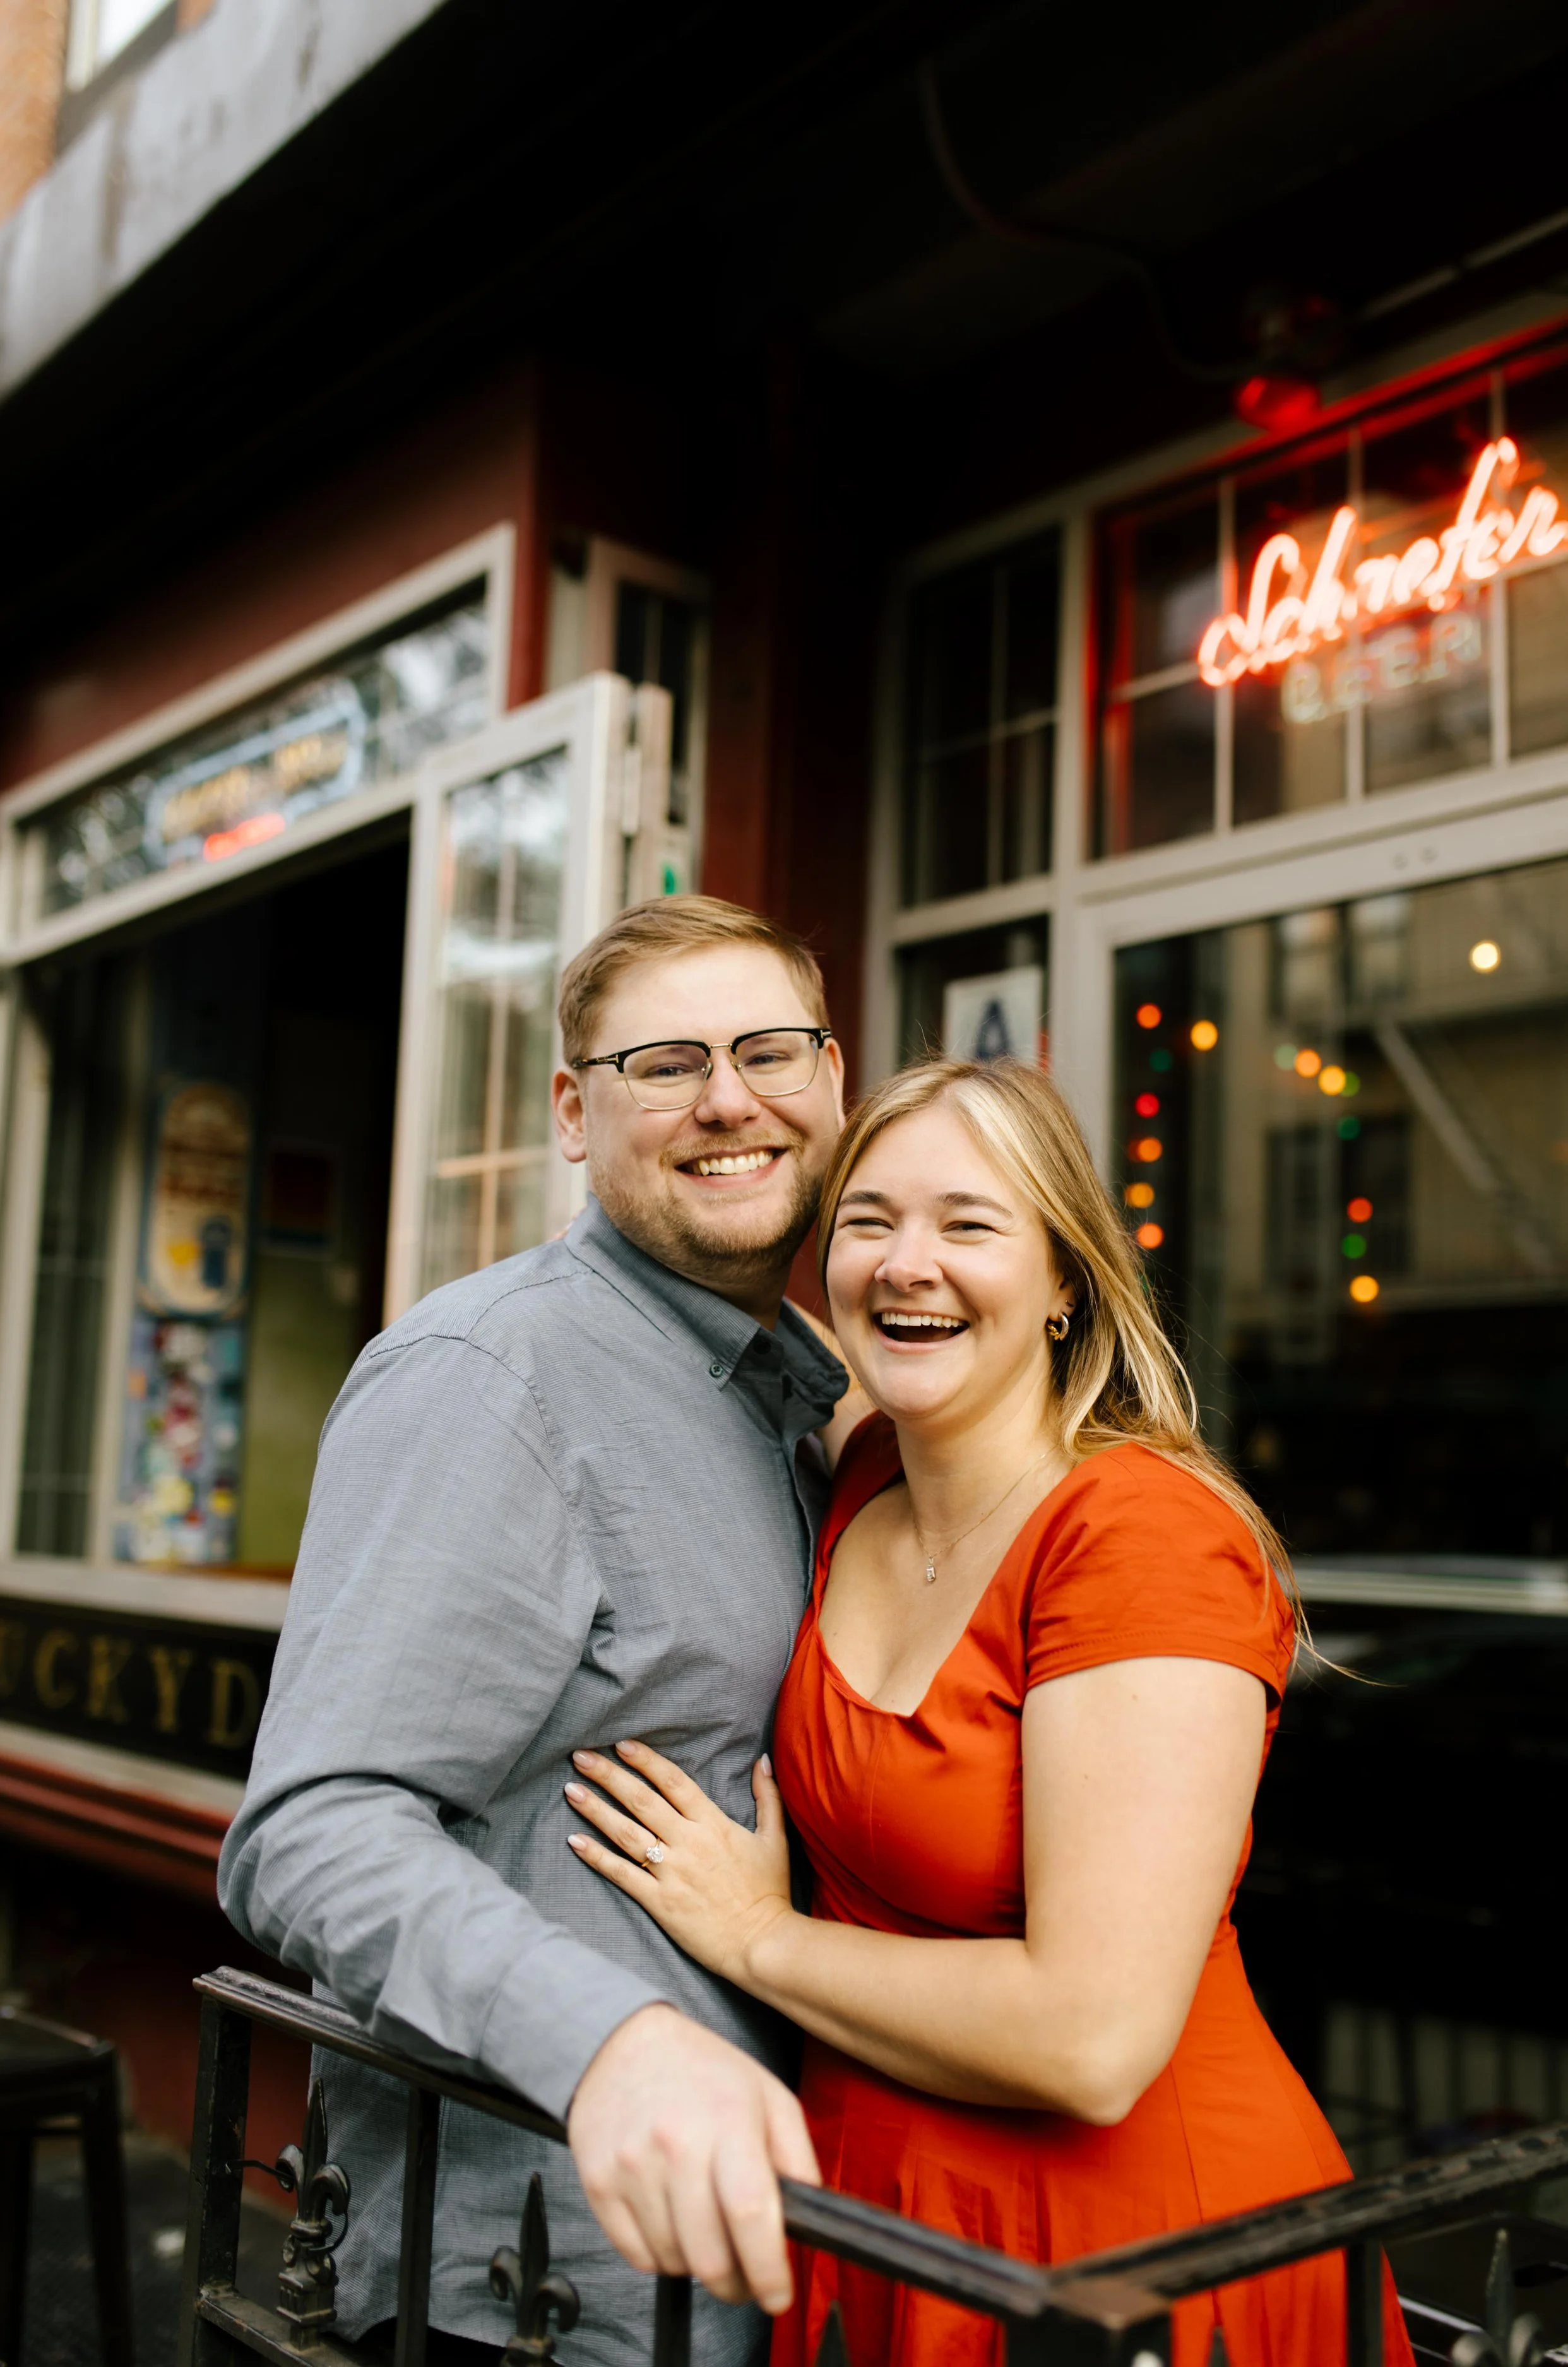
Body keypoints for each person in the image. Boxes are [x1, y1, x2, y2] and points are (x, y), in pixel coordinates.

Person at [563, 1056, 1416, 2367]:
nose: (908, 1264)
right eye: (867, 1222)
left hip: (1121, 2256)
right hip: (874, 2224)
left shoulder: (1139, 1538)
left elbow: (1093, 2041)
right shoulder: (857, 1476)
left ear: (1064, 1281)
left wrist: (751, 1937)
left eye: (969, 1224)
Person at [219, 894, 858, 2366]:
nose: (728, 1100)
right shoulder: (490, 1376)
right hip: (537, 2285)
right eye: (663, 1065)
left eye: (770, 1050)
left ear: (831, 1083)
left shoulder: (815, 1392)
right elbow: (310, 1832)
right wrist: (611, 2043)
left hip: (774, 2255)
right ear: (574, 1113)